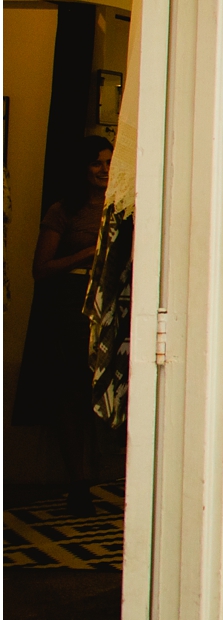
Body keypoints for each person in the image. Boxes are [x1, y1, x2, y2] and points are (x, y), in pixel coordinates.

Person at [14, 135, 113, 511]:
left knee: (106, 393)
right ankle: (79, 481)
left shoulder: (121, 206)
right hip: (72, 305)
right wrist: (91, 250)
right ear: (82, 168)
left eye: (108, 163)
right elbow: (41, 268)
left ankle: (107, 475)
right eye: (96, 163)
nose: (103, 170)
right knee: (73, 392)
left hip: (114, 303)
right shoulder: (64, 211)